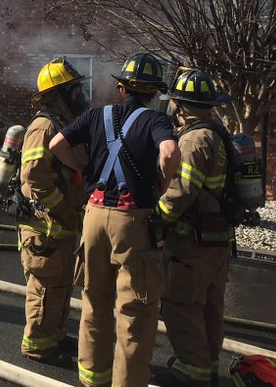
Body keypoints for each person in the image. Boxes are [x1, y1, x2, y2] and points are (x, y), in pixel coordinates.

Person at [49, 52, 181, 387]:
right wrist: (163, 184)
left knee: (95, 299)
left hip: (93, 217)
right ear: (153, 93)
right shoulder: (156, 121)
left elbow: (56, 143)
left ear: (122, 88)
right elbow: (169, 153)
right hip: (132, 221)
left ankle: (93, 377)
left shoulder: (96, 116)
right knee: (135, 310)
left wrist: (82, 168)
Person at [156, 69, 232, 386]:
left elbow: (180, 192)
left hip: (192, 242)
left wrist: (154, 221)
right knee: (210, 304)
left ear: (181, 106)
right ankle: (209, 362)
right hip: (217, 239)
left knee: (182, 303)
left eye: (174, 102)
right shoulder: (217, 133)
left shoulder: (192, 141)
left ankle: (194, 367)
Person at [19, 57, 90, 367]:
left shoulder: (63, 125)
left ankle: (55, 335)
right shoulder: (44, 126)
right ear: (58, 95)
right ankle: (38, 346)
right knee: (45, 288)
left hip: (60, 226)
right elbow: (33, 177)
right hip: (44, 227)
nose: (81, 96)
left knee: (59, 285)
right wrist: (64, 210)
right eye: (74, 91)